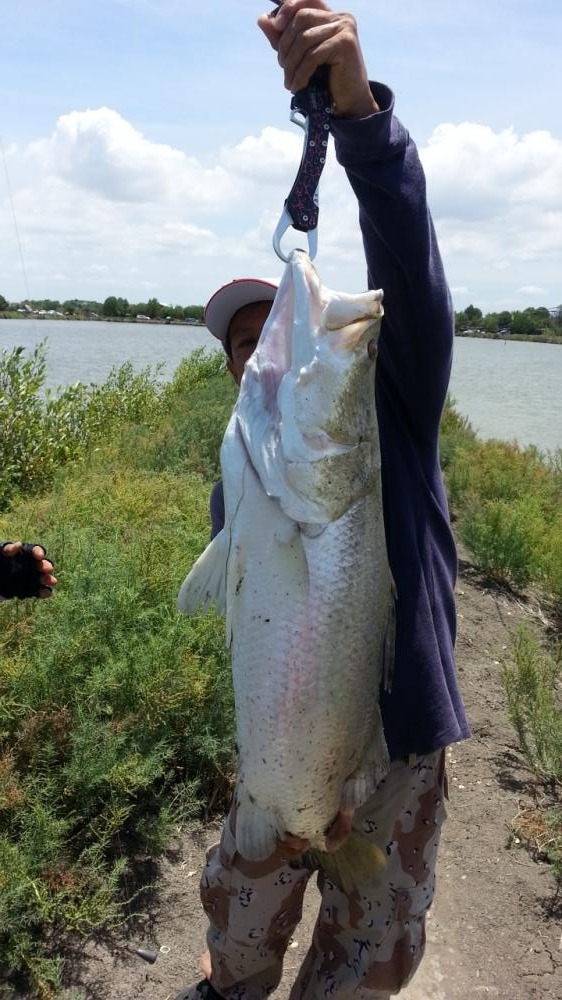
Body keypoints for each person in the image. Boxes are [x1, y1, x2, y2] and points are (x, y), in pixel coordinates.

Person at [176, 2, 470, 997]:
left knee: (366, 944)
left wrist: (354, 113)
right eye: (244, 344)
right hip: (285, 747)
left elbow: (410, 277)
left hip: (405, 743)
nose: (263, 349)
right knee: (241, 909)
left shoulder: (396, 407)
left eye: (279, 335)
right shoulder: (248, 472)